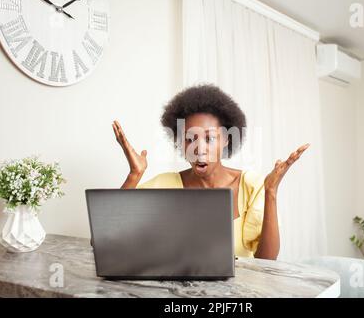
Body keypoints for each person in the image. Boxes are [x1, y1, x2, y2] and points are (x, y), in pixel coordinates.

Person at [112, 85, 309, 260]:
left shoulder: (251, 186)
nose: (199, 148)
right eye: (190, 139)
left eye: (209, 139)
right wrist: (134, 175)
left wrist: (271, 192)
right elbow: (109, 237)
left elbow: (266, 260)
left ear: (226, 140)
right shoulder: (165, 185)